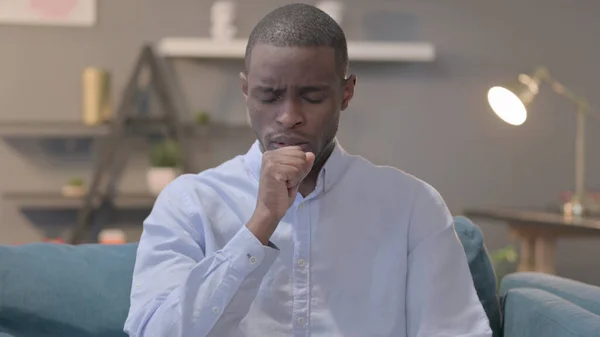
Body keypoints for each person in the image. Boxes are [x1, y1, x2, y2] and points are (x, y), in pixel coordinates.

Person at [124, 3, 492, 337]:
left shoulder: (413, 206)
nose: (289, 117)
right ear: (246, 90)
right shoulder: (189, 202)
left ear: (346, 94)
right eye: (269, 96)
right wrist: (259, 226)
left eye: (312, 97)